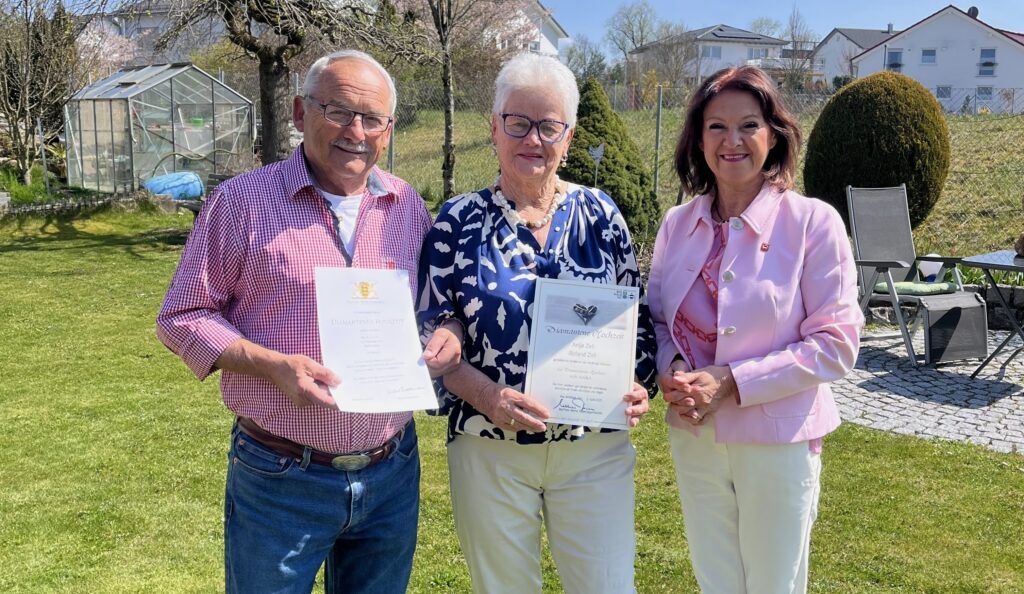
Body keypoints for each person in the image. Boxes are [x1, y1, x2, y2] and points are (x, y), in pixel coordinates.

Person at [156, 49, 461, 594]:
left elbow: (431, 307)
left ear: (389, 130)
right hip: (281, 476)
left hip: (391, 470)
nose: (356, 132)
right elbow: (182, 316)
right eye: (338, 111)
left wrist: (448, 333)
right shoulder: (241, 203)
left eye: (373, 119)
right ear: (300, 112)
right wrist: (271, 365)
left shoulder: (406, 206)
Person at [417, 52, 657, 594]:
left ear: (567, 138)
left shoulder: (601, 214)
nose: (533, 139)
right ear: (494, 129)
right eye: (518, 123)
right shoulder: (456, 221)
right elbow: (433, 331)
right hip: (489, 446)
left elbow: (638, 321)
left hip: (593, 450)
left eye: (549, 126)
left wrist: (637, 384)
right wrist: (488, 396)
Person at [647, 66, 863, 594]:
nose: (732, 141)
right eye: (717, 126)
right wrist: (672, 368)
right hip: (695, 433)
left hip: (777, 440)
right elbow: (657, 320)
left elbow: (836, 345)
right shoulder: (677, 224)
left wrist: (732, 380)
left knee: (772, 584)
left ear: (774, 135)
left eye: (748, 125)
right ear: (699, 139)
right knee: (716, 580)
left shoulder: (813, 223)